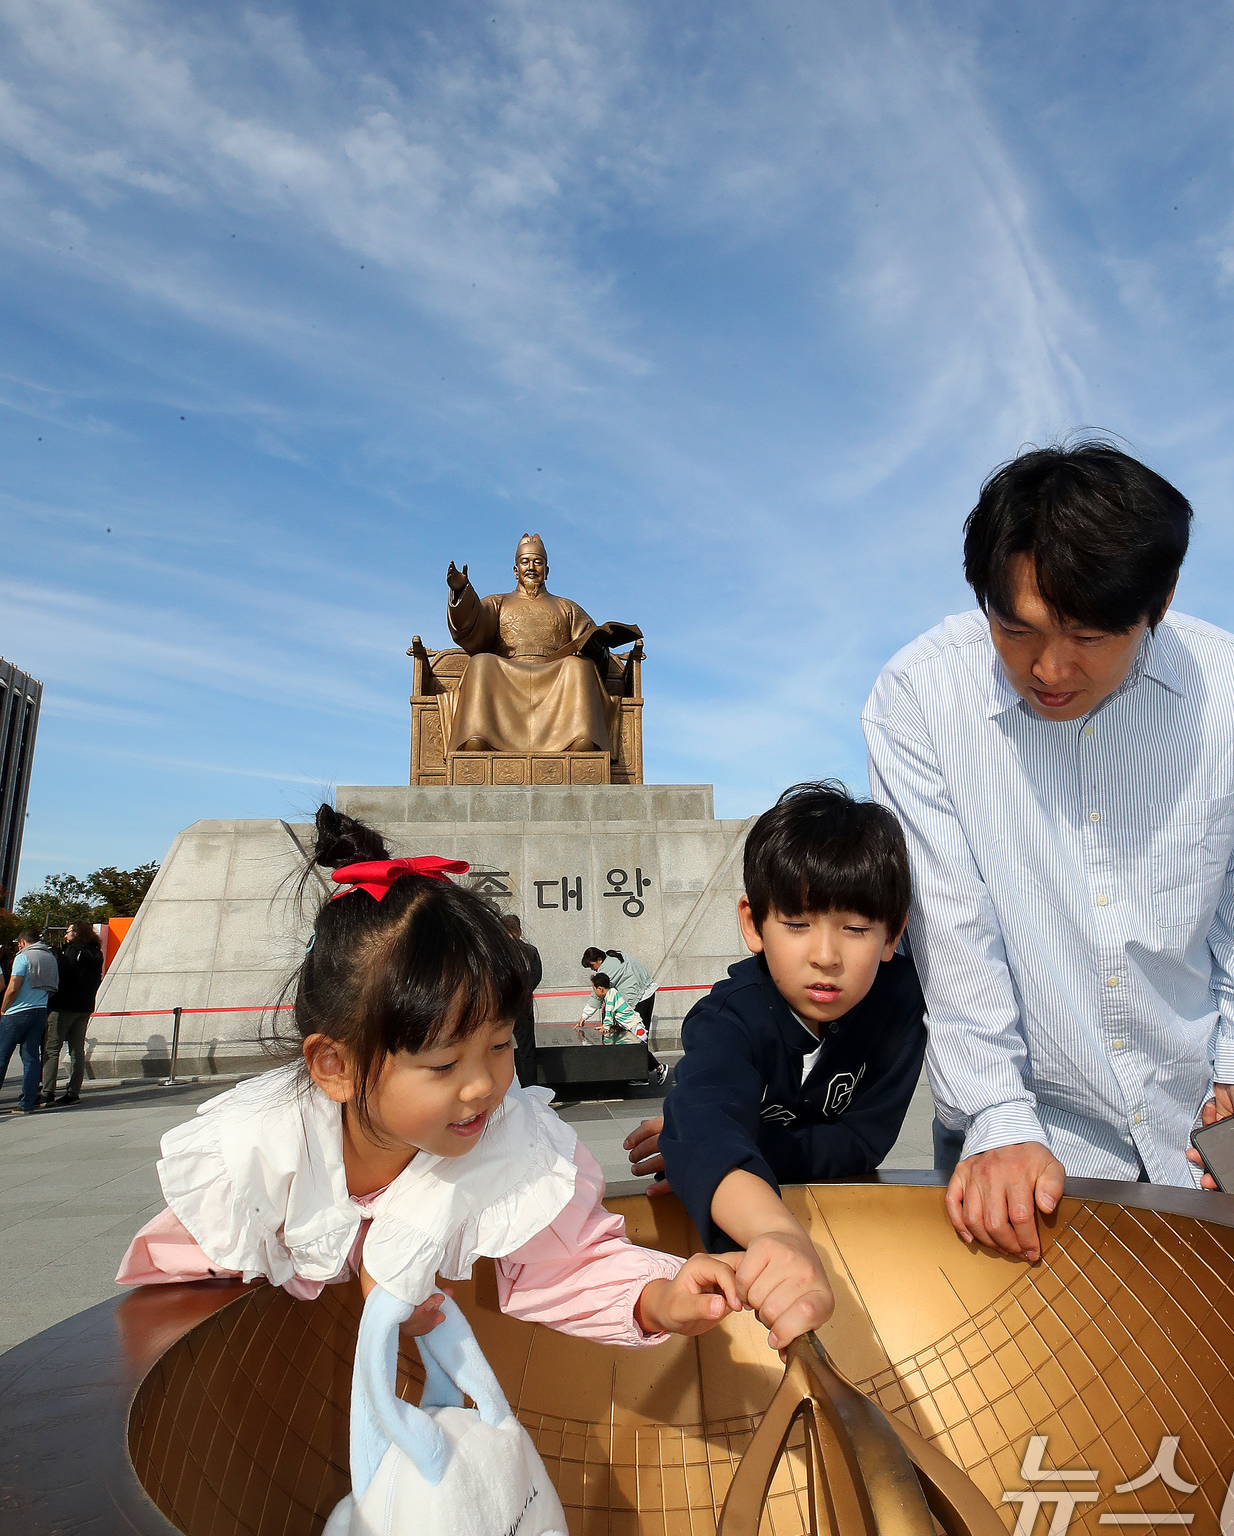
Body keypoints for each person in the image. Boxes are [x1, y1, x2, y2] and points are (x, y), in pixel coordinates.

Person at [862, 442, 1234, 1266]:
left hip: (1205, 1121)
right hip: (1027, 1138)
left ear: (1161, 602)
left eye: (1088, 635)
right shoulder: (919, 699)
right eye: (1016, 629)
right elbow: (951, 928)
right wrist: (997, 1114)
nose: (1048, 668)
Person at [117, 807, 743, 1354]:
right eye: (443, 1065)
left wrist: (657, 1299)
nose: (482, 1087)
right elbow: (181, 1277)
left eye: (499, 1046)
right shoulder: (262, 1157)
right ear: (335, 1066)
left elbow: (568, 1260)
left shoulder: (513, 1142)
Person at [624, 782, 926, 1351]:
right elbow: (707, 1116)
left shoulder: (900, 1009)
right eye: (797, 924)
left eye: (856, 928)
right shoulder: (728, 1019)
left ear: (894, 934)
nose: (826, 955)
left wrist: (730, 1143)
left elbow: (862, 1141)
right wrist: (770, 1224)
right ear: (752, 924)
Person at [443, 535, 641, 757]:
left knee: (579, 667)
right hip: (508, 672)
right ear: (516, 570)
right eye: (525, 562)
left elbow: (589, 643)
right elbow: (471, 627)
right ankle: (478, 737)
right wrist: (462, 591)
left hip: (555, 673)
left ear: (547, 570)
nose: (531, 567)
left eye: (537, 562)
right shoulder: (498, 602)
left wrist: (597, 648)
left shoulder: (566, 607)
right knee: (480, 662)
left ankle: (580, 739)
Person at [580, 945, 668, 1085]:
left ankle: (655, 1069)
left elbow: (597, 995)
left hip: (641, 999)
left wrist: (584, 1016)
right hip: (646, 991)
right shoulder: (615, 955)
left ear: (599, 959)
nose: (593, 969)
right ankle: (642, 1073)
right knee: (636, 1038)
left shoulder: (606, 969)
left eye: (592, 966)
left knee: (635, 1040)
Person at [41, 918, 104, 1107]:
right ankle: (73, 1090)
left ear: (76, 933)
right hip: (84, 1005)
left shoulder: (71, 952)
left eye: (68, 932)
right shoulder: (96, 953)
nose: (65, 935)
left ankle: (47, 1091)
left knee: (52, 1049)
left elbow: (62, 976)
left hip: (64, 1005)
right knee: (77, 1050)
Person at [1, 926, 59, 1116]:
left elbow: (13, 986)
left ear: (23, 942)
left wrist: (3, 1008)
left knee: (2, 1057)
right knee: (31, 1058)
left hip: (17, 1013)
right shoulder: (50, 957)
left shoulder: (23, 957)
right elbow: (53, 988)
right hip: (39, 1012)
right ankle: (28, 1102)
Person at [500, 911, 542, 1089]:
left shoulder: (497, 951)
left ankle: (504, 1089)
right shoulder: (530, 950)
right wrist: (524, 991)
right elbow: (537, 976)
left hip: (501, 1006)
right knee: (527, 1050)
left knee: (498, 1048)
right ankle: (530, 1090)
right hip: (524, 1006)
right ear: (519, 929)